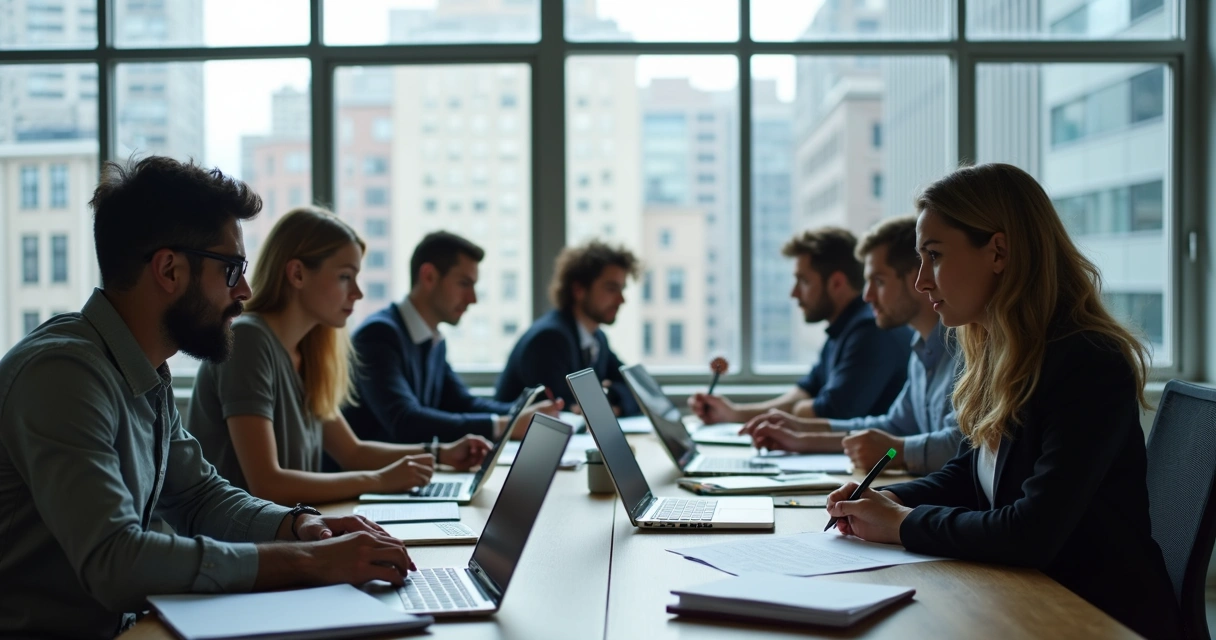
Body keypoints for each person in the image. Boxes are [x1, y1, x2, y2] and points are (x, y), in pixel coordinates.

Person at [0, 157, 415, 639]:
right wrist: (307, 561)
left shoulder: (143, 369)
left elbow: (198, 497)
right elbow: (116, 564)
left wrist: (299, 526)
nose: (245, 289)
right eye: (231, 269)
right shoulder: (63, 375)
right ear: (170, 270)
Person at [822, 163, 1180, 639]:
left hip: (1092, 616)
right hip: (1021, 595)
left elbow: (1031, 533)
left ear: (998, 252)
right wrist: (887, 498)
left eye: (934, 256)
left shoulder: (1087, 360)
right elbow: (972, 476)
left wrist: (903, 525)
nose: (922, 281)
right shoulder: (1000, 351)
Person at [188, 207, 491, 505]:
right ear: (297, 274)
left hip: (291, 534)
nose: (357, 292)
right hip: (243, 548)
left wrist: (441, 453)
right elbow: (268, 484)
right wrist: (380, 481)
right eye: (346, 276)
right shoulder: (249, 340)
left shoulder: (309, 352)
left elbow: (353, 452)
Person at [741, 216, 963, 475]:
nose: (867, 296)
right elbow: (894, 426)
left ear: (915, 279)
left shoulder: (965, 351)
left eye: (878, 281)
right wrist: (801, 437)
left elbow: (963, 447)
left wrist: (896, 452)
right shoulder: (921, 348)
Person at [344, 231, 559, 444]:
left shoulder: (434, 340)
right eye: (464, 284)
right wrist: (505, 425)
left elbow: (462, 403)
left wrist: (529, 414)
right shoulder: (378, 335)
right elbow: (404, 421)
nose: (472, 299)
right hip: (370, 476)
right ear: (428, 276)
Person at [689, 227, 911, 424]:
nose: (794, 293)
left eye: (803, 281)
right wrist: (733, 414)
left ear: (837, 283)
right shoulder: (841, 331)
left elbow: (830, 413)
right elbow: (804, 393)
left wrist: (800, 409)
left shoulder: (870, 330)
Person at [495, 240, 641, 417]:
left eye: (622, 289)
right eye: (611, 289)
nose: (621, 300)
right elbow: (565, 410)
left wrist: (610, 399)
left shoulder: (597, 338)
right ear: (579, 289)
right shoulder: (549, 339)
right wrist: (604, 403)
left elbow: (638, 390)